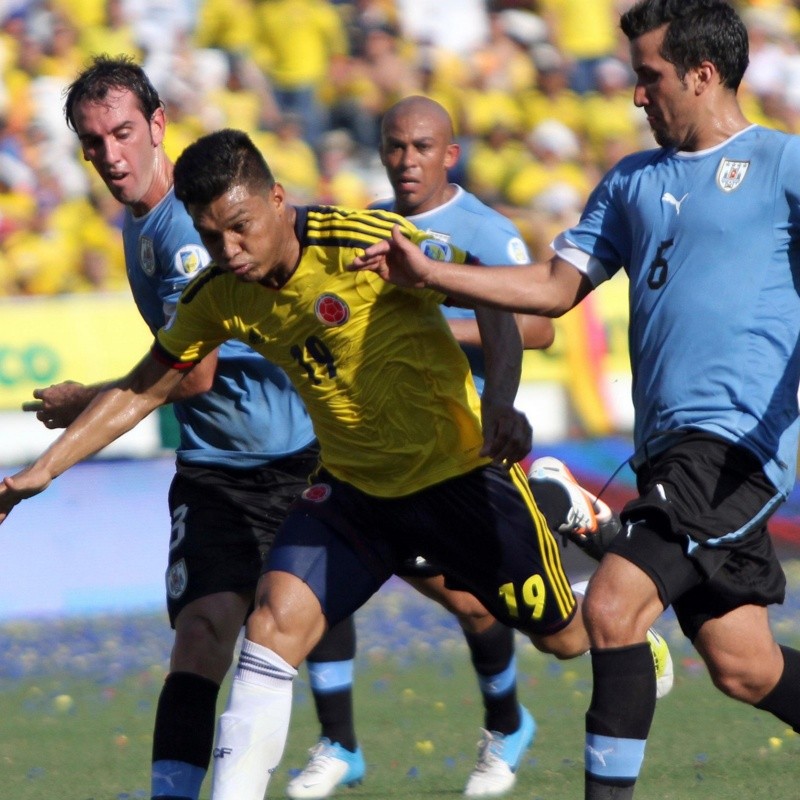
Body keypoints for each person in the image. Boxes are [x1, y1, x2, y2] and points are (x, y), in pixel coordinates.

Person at [0, 127, 661, 800]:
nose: (229, 250)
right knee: (271, 624)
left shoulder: (362, 244)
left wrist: (501, 405)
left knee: (569, 640)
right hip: (353, 495)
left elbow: (492, 291)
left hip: (457, 478)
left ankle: (557, 506)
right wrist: (43, 472)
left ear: (277, 200)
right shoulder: (222, 291)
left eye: (240, 227)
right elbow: (149, 384)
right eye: (211, 235)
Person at [348, 2, 800, 797]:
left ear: (703, 74)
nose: (636, 96)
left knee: (615, 607)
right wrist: (433, 275)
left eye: (650, 77)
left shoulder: (782, 166)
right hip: (668, 450)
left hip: (735, 450)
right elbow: (555, 290)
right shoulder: (631, 182)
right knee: (745, 667)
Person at [24, 55, 351, 800]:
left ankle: (580, 560)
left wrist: (87, 403)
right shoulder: (137, 222)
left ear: (158, 124)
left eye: (123, 134)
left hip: (303, 458)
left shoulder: (182, 232)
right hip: (215, 468)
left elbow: (189, 373)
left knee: (467, 597)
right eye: (93, 142)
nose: (111, 156)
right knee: (202, 635)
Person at [288, 93, 592, 800]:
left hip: (465, 445)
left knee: (503, 612)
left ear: (448, 154)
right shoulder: (364, 225)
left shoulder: (485, 229)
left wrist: (429, 334)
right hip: (379, 445)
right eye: (395, 147)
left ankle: (572, 542)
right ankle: (342, 742)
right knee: (317, 586)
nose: (406, 161)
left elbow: (538, 327)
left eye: (421, 147)